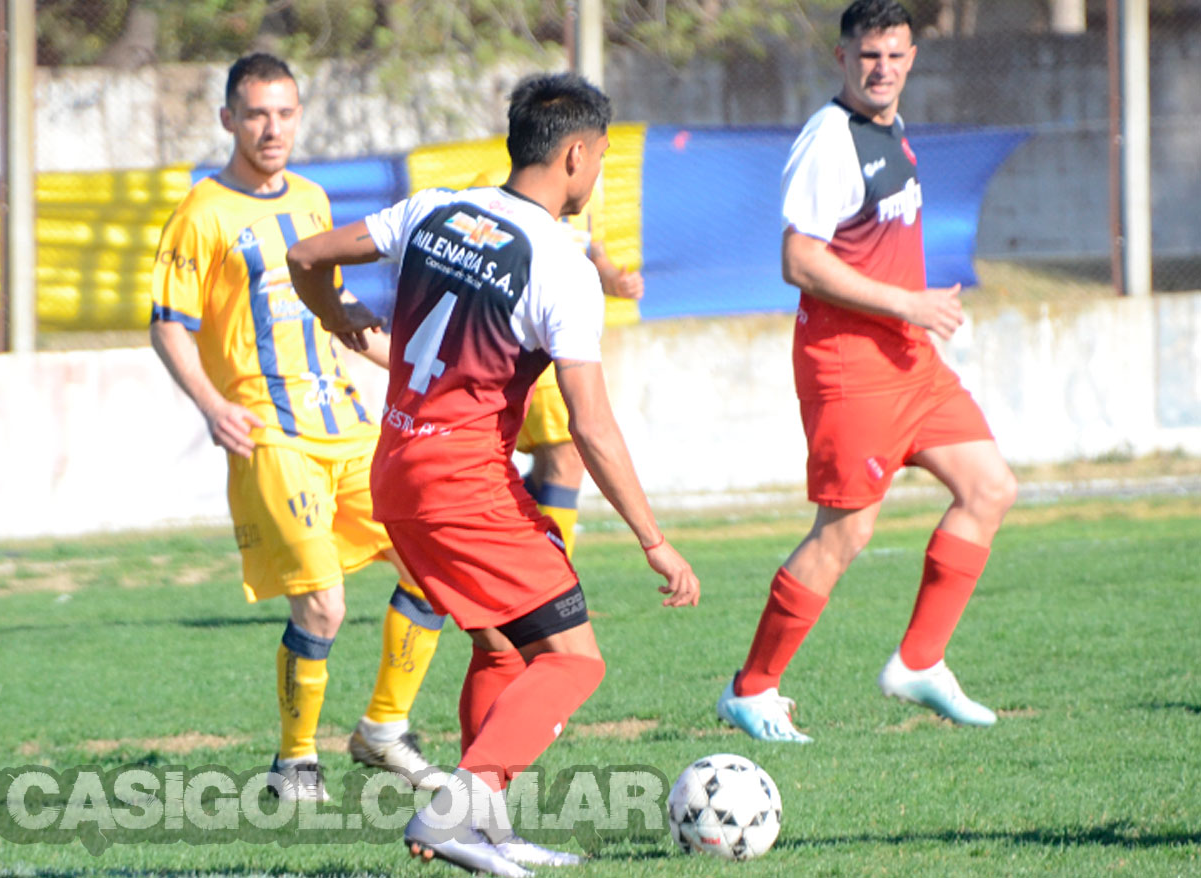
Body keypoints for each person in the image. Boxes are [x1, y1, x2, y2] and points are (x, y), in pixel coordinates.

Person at [288, 72, 700, 877]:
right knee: (574, 660)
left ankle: (487, 831)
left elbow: (306, 256)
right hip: (463, 485)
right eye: (600, 159)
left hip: (396, 471)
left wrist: (339, 319)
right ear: (576, 155)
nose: (597, 174)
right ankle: (454, 811)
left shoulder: (433, 209)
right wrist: (654, 540)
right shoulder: (560, 265)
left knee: (504, 650)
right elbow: (590, 425)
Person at [716, 0, 1017, 743]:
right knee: (845, 532)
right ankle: (752, 689)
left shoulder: (889, 127)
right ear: (842, 59)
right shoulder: (829, 141)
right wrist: (907, 302)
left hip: (909, 360)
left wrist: (910, 312)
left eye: (894, 55)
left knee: (988, 488)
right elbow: (799, 259)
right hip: (851, 367)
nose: (881, 69)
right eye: (868, 56)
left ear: (911, 57)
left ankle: (919, 661)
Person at [148, 52, 447, 800]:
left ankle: (384, 730)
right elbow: (168, 324)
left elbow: (334, 308)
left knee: (432, 566)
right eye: (255, 113)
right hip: (271, 432)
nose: (271, 128)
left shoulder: (313, 201)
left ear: (299, 117)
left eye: (284, 113)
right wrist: (212, 405)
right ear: (228, 119)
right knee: (323, 602)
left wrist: (412, 369)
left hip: (346, 422)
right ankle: (295, 763)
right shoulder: (201, 213)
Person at [516, 184, 645, 558]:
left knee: (549, 466)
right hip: (532, 345)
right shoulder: (501, 184)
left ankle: (489, 548)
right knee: (568, 455)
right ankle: (553, 578)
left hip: (566, 343)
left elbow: (595, 256)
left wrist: (616, 281)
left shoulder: (590, 193)